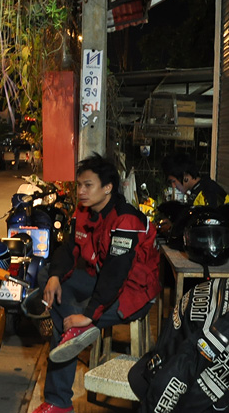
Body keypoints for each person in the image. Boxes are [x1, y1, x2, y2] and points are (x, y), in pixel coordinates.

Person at [32, 153, 160, 413]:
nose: (81, 191)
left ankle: (58, 402)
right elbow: (69, 249)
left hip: (133, 292)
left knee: (67, 321)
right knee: (47, 275)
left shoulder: (126, 220)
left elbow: (116, 273)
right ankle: (73, 329)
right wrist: (56, 276)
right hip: (100, 280)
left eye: (88, 185)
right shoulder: (84, 212)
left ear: (108, 187)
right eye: (79, 185)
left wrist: (88, 315)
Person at [161, 153, 229, 207]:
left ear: (185, 176)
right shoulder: (198, 190)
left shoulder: (207, 191)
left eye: (173, 181)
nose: (173, 186)